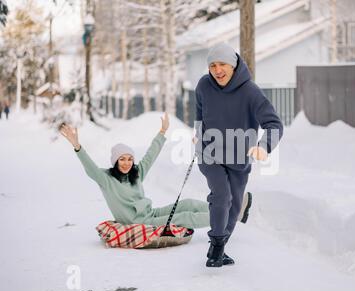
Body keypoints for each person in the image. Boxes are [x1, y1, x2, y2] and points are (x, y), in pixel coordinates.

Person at [194, 42, 284, 267]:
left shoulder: (250, 91)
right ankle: (215, 249)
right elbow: (199, 116)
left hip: (238, 157)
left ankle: (221, 246)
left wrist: (264, 146)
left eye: (222, 64)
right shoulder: (204, 85)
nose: (217, 70)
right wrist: (197, 139)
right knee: (221, 195)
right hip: (210, 154)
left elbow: (274, 123)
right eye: (212, 65)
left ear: (233, 65)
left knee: (234, 207)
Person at [59, 113, 229, 230]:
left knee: (188, 204)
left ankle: (226, 209)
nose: (126, 163)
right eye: (122, 159)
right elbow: (90, 167)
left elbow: (150, 155)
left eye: (129, 159)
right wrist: (77, 146)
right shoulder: (107, 179)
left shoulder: (136, 173)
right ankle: (227, 217)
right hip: (140, 223)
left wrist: (162, 132)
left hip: (150, 214)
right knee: (183, 217)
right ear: (115, 161)